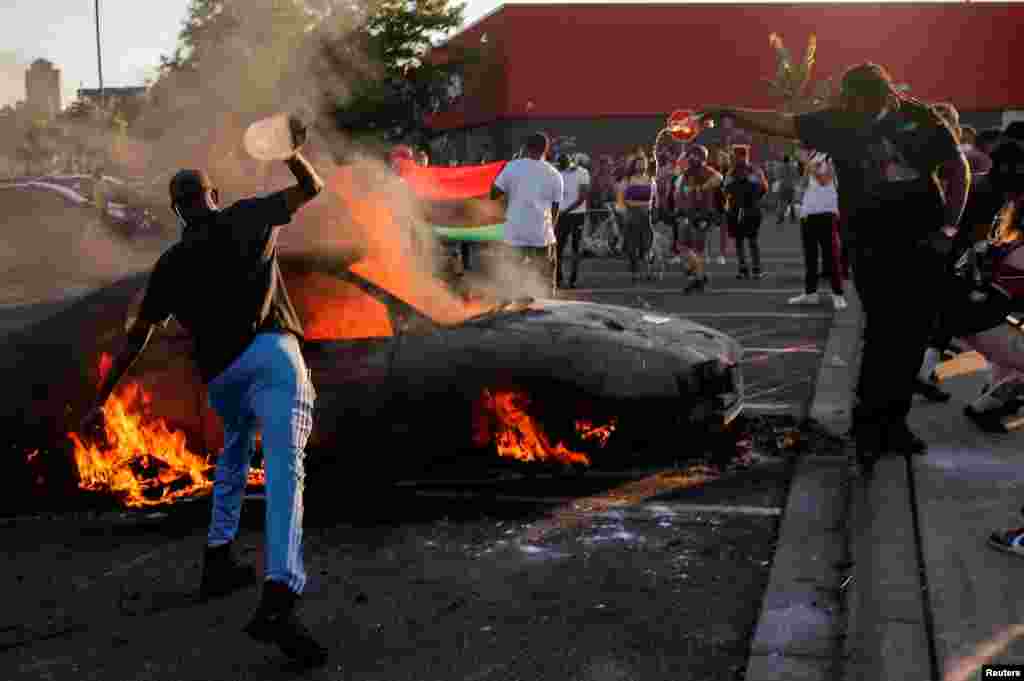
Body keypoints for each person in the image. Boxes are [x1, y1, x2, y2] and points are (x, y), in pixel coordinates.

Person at [78, 117, 329, 666]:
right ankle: (280, 590)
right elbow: (313, 188)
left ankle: (219, 557)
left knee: (236, 452)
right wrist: (290, 154)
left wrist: (102, 397)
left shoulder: (169, 265)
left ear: (177, 210)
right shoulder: (247, 215)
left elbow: (136, 341)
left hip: (221, 377)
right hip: (271, 357)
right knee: (286, 468)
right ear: (212, 196)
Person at [700, 61, 969, 468]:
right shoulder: (841, 121)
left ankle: (893, 424)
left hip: (923, 243)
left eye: (855, 101)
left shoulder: (920, 118)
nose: (849, 106)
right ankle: (869, 428)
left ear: (876, 95)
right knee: (882, 331)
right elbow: (782, 123)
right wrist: (729, 111)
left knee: (913, 333)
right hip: (871, 244)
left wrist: (949, 228)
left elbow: (957, 169)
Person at [491, 132, 563, 296]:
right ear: (546, 149)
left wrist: (507, 178)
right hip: (542, 234)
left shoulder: (513, 167)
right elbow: (555, 208)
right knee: (545, 280)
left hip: (514, 233)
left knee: (511, 279)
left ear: (526, 148)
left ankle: (508, 310)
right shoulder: (554, 174)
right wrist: (550, 231)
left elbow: (493, 193)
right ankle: (548, 310)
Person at [789, 152, 846, 310]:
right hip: (808, 214)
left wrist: (809, 165)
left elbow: (825, 180)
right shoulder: (812, 158)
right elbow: (803, 185)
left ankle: (838, 294)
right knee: (810, 257)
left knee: (831, 256)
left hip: (826, 213)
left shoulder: (829, 157)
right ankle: (810, 293)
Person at [674, 145, 723, 294]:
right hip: (689, 213)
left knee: (697, 248)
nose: (691, 158)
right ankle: (699, 276)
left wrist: (702, 188)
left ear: (701, 157)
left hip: (701, 213)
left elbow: (719, 178)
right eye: (690, 155)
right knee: (682, 246)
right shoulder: (688, 172)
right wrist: (680, 208)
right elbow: (682, 191)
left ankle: (699, 278)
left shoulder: (704, 170)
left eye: (694, 155)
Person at [722, 144, 769, 280]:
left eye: (735, 155)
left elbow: (725, 190)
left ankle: (745, 269)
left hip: (739, 209)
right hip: (750, 208)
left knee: (741, 241)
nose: (735, 158)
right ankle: (754, 269)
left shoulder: (732, 172)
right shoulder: (754, 170)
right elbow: (764, 188)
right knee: (750, 240)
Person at [615, 154, 658, 284]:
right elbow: (620, 199)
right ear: (634, 165)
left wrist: (655, 211)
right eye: (639, 163)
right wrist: (623, 213)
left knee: (648, 246)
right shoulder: (627, 180)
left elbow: (655, 198)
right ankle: (634, 274)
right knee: (632, 247)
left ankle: (649, 272)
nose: (641, 166)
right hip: (631, 216)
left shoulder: (651, 179)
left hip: (646, 216)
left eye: (643, 163)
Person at [555, 153, 591, 288]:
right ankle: (558, 278)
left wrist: (565, 210)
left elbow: (582, 197)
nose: (561, 167)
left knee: (576, 248)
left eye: (563, 164)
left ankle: (573, 279)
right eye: (560, 165)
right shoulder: (556, 172)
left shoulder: (583, 173)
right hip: (561, 215)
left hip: (577, 215)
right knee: (558, 248)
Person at [775, 155, 800, 224]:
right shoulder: (793, 167)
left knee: (782, 203)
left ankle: (781, 218)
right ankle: (793, 218)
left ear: (783, 160)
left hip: (783, 186)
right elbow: (797, 176)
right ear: (789, 160)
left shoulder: (780, 167)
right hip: (791, 186)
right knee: (791, 203)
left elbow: (777, 176)